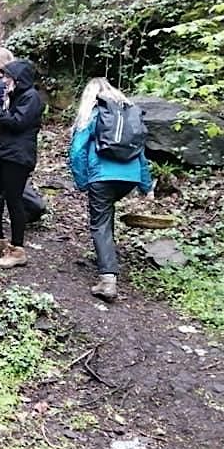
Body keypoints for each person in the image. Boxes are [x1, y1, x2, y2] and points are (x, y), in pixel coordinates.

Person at [69, 77, 153, 301]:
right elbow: (141, 152)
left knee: (100, 224)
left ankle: (108, 279)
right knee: (106, 215)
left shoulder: (94, 113)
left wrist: (81, 180)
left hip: (102, 176)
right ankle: (108, 259)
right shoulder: (128, 115)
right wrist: (145, 184)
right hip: (130, 178)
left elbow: (77, 150)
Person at [0, 59, 43, 268]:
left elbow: (16, 122)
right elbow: (4, 120)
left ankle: (17, 250)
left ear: (18, 79)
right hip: (2, 152)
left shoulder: (31, 98)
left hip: (18, 157)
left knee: (14, 201)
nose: (5, 81)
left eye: (8, 77)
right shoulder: (13, 96)